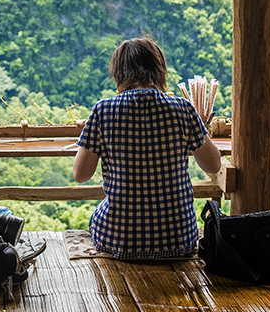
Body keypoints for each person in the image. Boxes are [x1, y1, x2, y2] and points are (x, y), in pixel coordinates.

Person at [73, 36, 222, 260]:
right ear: (159, 70)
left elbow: (81, 175)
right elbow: (214, 164)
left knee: (99, 215)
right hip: (178, 239)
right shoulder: (183, 109)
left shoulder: (103, 110)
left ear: (119, 73)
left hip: (119, 240)